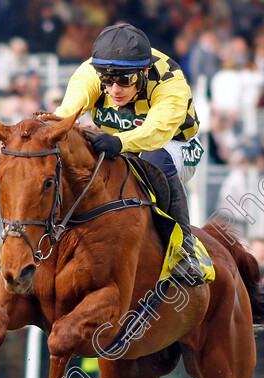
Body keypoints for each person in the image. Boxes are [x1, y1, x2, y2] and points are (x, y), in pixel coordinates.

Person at [54, 23, 204, 286]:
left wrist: (119, 142)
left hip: (174, 145)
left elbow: (155, 133)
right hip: (117, 138)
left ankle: (184, 251)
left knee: (153, 157)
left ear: (145, 72)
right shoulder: (89, 72)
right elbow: (67, 113)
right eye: (107, 80)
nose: (114, 89)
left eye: (125, 80)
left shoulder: (171, 83)